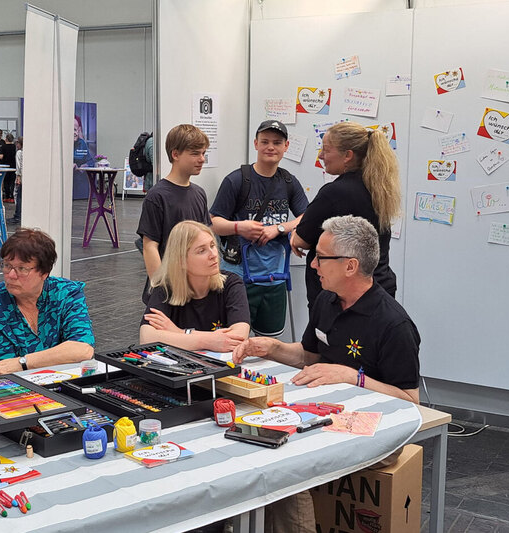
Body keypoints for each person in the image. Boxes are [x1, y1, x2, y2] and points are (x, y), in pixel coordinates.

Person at [233, 215, 420, 533]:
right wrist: (272, 348)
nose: (313, 265)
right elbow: (311, 356)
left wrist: (353, 377)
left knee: (287, 466)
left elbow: (410, 400)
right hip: (325, 413)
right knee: (260, 439)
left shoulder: (394, 325)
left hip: (378, 432)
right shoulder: (327, 300)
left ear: (350, 266)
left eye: (320, 257)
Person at [210, 120, 308, 336]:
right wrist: (239, 227)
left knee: (268, 344)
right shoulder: (236, 180)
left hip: (275, 279)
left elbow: (307, 217)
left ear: (286, 146)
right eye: (265, 142)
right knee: (233, 341)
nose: (270, 147)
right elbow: (213, 223)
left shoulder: (289, 182)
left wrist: (280, 228)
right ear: (255, 144)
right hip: (237, 277)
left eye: (277, 142)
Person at [291, 122, 400, 306]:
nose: (321, 155)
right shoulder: (378, 188)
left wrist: (294, 233)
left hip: (342, 297)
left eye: (326, 150)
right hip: (379, 289)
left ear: (348, 155)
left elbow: (301, 240)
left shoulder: (334, 193)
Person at [0, 228, 95, 377]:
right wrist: (57, 357)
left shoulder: (66, 292)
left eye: (22, 269)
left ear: (44, 273)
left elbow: (83, 349)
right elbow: (1, 369)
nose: (11, 275)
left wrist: (22, 362)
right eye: (7, 265)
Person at [140, 221, 250, 352]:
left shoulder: (231, 283)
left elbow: (238, 337)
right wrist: (208, 341)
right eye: (202, 251)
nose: (213, 255)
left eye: (212, 245)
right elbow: (146, 337)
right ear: (181, 260)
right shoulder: (165, 288)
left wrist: (179, 332)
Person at [136, 124, 211, 304]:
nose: (201, 159)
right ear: (175, 154)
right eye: (195, 154)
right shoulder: (157, 196)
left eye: (203, 153)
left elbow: (206, 240)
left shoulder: (199, 194)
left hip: (194, 287)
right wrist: (162, 289)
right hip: (170, 290)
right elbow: (150, 246)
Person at [0, 133, 17, 203]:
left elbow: (1, 156)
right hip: (13, 166)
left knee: (6, 181)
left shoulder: (3, 147)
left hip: (5, 166)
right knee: (12, 182)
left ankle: (7, 196)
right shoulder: (14, 147)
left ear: (6, 139)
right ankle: (12, 197)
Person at [9, 136, 23, 224]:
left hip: (21, 176)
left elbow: (19, 166)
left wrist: (18, 176)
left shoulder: (19, 153)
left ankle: (17, 215)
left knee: (18, 196)